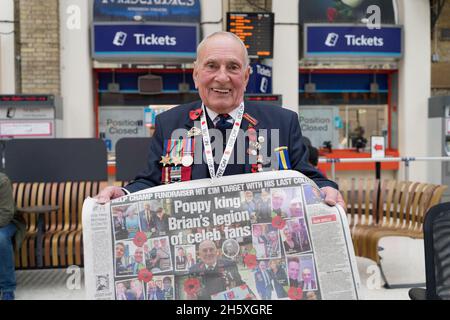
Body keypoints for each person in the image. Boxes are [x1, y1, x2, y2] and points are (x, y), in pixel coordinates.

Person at [95, 31, 344, 209]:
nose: (222, 77)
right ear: (196, 74)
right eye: (211, 65)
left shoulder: (282, 122)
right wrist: (124, 193)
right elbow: (151, 181)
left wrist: (327, 188)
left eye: (233, 67)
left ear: (246, 77)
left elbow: (309, 178)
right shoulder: (170, 124)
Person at [0, 173, 25, 300]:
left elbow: (5, 215)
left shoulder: (2, 181)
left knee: (1, 239)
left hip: (8, 223)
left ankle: (7, 289)